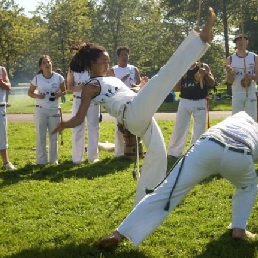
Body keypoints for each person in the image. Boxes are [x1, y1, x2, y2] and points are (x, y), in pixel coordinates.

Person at [52, 7, 215, 206]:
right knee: (165, 74)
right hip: (131, 114)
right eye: (104, 62)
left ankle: (149, 197)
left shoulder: (110, 79)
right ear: (92, 63)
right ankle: (201, 40)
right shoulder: (90, 86)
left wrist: (142, 87)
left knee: (159, 155)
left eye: (108, 61)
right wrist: (63, 125)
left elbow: (129, 91)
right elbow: (79, 118)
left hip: (138, 111)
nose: (107, 65)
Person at [97, 111, 257, 249]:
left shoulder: (236, 118)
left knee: (164, 192)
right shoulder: (254, 129)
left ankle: (119, 233)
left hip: (206, 146)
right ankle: (239, 230)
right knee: (247, 187)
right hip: (239, 153)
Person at [167, 61, 215, 158]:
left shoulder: (203, 66)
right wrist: (181, 76)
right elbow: (176, 89)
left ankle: (195, 152)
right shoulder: (182, 66)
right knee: (180, 127)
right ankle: (174, 152)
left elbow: (212, 83)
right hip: (185, 101)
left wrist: (205, 75)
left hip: (200, 100)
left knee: (199, 128)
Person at [28, 55, 66, 165]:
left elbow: (64, 91)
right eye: (44, 63)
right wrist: (38, 96)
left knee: (54, 136)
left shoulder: (59, 77)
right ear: (41, 66)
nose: (47, 64)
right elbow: (30, 92)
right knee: (41, 136)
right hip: (41, 110)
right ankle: (41, 161)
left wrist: (58, 94)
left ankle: (53, 161)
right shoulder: (37, 78)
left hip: (54, 110)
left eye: (48, 62)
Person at [66, 44, 100, 164]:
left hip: (92, 100)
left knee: (94, 127)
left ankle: (93, 157)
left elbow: (100, 82)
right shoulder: (73, 67)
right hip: (78, 99)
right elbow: (69, 85)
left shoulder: (94, 67)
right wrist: (79, 87)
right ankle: (76, 158)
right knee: (77, 128)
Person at [108, 46, 141, 157]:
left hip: (133, 100)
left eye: (126, 55)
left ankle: (133, 149)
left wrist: (136, 85)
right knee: (119, 127)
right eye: (122, 55)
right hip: (119, 101)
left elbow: (139, 85)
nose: (124, 57)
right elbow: (111, 88)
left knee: (132, 126)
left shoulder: (134, 69)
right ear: (118, 57)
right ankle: (119, 152)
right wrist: (122, 80)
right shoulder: (113, 70)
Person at [226, 34, 258, 121]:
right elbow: (229, 81)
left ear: (247, 42)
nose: (240, 42)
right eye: (238, 40)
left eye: (243, 40)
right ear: (236, 43)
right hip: (237, 92)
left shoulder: (254, 57)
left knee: (252, 119)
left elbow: (257, 77)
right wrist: (230, 73)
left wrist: (252, 77)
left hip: (251, 92)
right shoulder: (230, 59)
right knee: (236, 120)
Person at [0, 65, 16, 170]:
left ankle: (6, 163)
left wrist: (1, 83)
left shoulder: (1, 69)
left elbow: (9, 87)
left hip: (0, 106)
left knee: (2, 136)